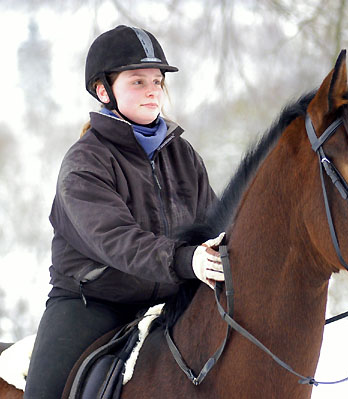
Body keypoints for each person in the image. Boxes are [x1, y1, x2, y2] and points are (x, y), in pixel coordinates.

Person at [24, 25, 224, 399]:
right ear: (104, 90)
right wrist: (185, 260)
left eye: (157, 80)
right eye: (137, 81)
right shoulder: (85, 162)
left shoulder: (182, 155)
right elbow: (117, 240)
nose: (153, 89)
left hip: (173, 298)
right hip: (94, 303)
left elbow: (213, 223)